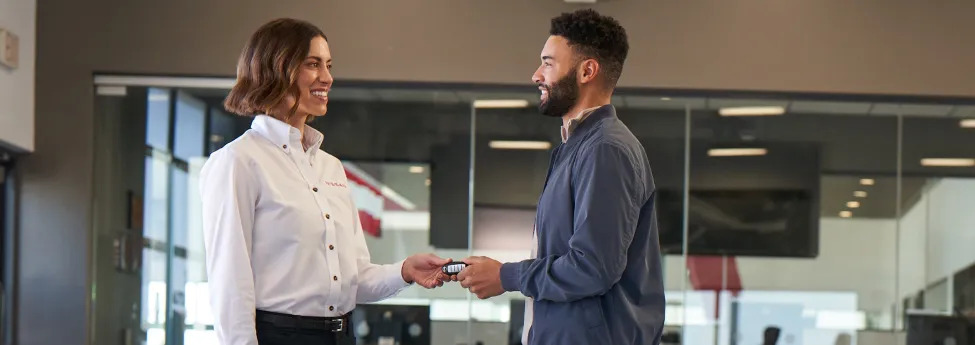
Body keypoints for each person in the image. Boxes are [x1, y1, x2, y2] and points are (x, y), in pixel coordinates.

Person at [200, 18, 450, 345]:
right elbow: (230, 285)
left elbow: (354, 278)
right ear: (277, 68)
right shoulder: (238, 161)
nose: (328, 78)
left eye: (329, 65)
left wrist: (405, 270)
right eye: (313, 64)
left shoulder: (330, 168)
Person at [455, 9, 666, 345]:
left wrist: (505, 275)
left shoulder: (605, 149)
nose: (537, 74)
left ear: (587, 71)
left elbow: (593, 267)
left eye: (548, 63)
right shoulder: (577, 147)